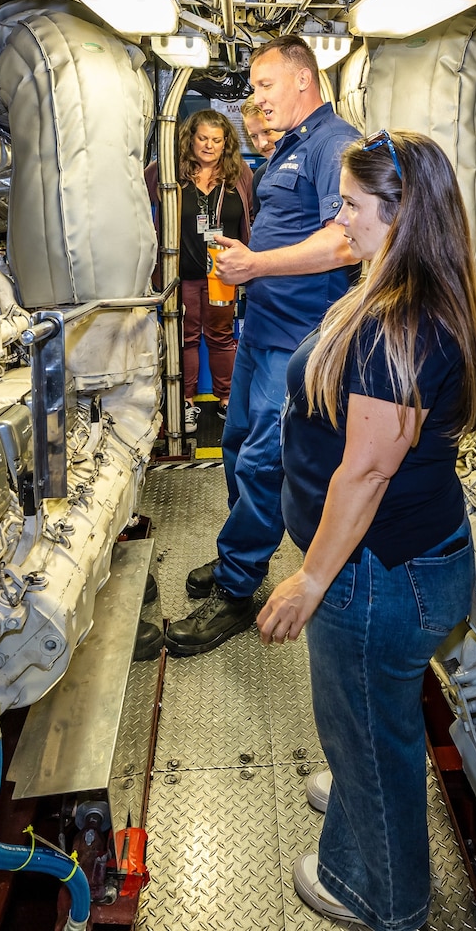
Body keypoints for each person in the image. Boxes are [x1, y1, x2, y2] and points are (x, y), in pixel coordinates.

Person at [257, 130, 476, 931]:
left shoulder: (403, 326)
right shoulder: (384, 293)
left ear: (399, 215)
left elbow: (365, 472)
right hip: (391, 566)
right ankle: (359, 796)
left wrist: (310, 580)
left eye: (352, 204)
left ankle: (387, 898)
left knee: (369, 733)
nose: (338, 215)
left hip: (377, 574)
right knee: (368, 722)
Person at [164, 35, 360, 655]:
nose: (257, 97)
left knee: (262, 462)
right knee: (235, 442)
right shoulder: (289, 148)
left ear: (304, 81)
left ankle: (237, 585)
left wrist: (258, 263)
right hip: (260, 330)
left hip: (297, 343)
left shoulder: (335, 145)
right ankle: (237, 560)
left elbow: (347, 242)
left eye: (265, 85)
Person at [175, 109, 253, 431]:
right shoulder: (171, 173)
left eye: (216, 140)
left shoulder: (241, 175)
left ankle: (226, 399)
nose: (209, 146)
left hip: (224, 274)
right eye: (202, 138)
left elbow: (256, 215)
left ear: (226, 144)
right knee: (186, 337)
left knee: (221, 337)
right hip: (183, 274)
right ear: (191, 140)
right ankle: (187, 402)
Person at [239, 95, 284, 221]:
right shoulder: (260, 176)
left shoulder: (311, 164)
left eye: (267, 131)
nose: (262, 144)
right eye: (254, 136)